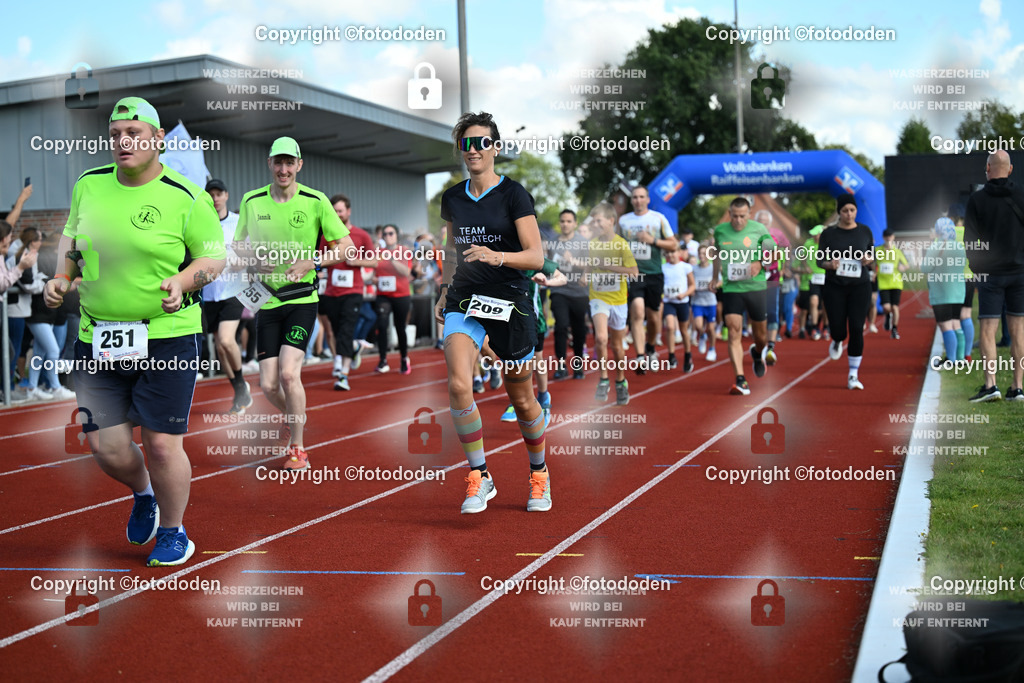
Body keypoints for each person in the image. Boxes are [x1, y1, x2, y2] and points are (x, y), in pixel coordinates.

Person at [43, 97, 226, 566]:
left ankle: (173, 530)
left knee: (162, 444)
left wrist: (183, 281)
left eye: (134, 133)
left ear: (157, 139)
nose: (123, 142)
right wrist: (61, 276)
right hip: (98, 335)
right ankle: (143, 493)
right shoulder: (89, 184)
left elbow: (213, 259)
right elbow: (71, 238)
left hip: (166, 333)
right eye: (116, 134)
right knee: (106, 446)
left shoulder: (187, 195)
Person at [434, 111, 549, 514]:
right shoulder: (452, 197)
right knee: (459, 386)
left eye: (482, 142)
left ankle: (539, 474)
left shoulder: (513, 194)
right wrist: (444, 288)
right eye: (467, 143)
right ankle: (480, 476)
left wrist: (496, 256)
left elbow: (536, 256)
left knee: (521, 398)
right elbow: (451, 250)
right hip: (465, 299)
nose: (474, 150)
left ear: (495, 148)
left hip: (510, 299)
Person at [234, 137, 351, 469]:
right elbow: (237, 245)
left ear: (299, 165)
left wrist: (312, 263)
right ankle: (295, 414)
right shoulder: (251, 200)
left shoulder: (315, 201)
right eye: (278, 162)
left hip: (302, 299)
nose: (284, 169)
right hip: (267, 301)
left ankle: (297, 447)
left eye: (290, 163)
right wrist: (254, 259)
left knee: (288, 374)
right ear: (269, 164)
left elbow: (346, 247)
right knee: (268, 383)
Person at [964, 149, 1024, 402]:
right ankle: (1017, 386)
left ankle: (991, 385)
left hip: (990, 273)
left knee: (988, 329)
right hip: (1020, 272)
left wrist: (979, 269)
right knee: (1018, 330)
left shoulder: (977, 200)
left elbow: (970, 242)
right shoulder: (1022, 195)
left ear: (987, 169)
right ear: (1010, 169)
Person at [710, 197, 775, 396]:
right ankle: (740, 379)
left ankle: (757, 352)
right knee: (734, 330)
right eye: (735, 216)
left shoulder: (759, 230)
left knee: (761, 336)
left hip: (756, 287)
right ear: (729, 214)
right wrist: (714, 277)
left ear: (749, 214)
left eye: (742, 216)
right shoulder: (720, 231)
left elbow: (772, 253)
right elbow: (717, 255)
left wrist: (760, 264)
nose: (738, 220)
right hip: (732, 289)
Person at [200, 179, 252, 415]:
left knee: (226, 340)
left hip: (234, 290)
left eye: (219, 193)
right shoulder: (202, 224)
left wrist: (243, 261)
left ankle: (241, 386)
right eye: (211, 194)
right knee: (220, 348)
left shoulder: (238, 223)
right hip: (210, 293)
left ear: (226, 195)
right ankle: (239, 390)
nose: (215, 198)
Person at [818, 195, 875, 390]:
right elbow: (819, 260)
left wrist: (869, 259)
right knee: (839, 329)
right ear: (839, 212)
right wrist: (829, 264)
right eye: (844, 211)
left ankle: (853, 375)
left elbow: (872, 254)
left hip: (860, 286)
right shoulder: (829, 234)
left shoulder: (865, 231)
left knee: (857, 328)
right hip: (835, 285)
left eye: (852, 210)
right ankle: (836, 339)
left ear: (856, 211)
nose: (849, 214)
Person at [618, 185, 677, 371]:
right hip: (634, 273)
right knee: (637, 310)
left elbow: (673, 244)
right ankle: (640, 356)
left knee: (653, 317)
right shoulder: (623, 221)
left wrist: (653, 241)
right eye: (634, 197)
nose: (638, 200)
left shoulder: (658, 218)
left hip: (654, 273)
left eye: (641, 197)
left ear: (648, 199)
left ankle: (651, 347)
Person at [320, 194, 376, 391]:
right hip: (331, 291)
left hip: (353, 291)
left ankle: (343, 375)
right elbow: (318, 258)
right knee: (336, 331)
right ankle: (352, 348)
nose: (337, 214)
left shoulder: (361, 235)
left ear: (348, 212)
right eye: (334, 211)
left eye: (340, 211)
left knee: (345, 330)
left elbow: (374, 261)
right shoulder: (327, 235)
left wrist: (357, 261)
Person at [586, 202, 639, 404]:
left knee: (618, 347)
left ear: (611, 221)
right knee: (600, 338)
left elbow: (634, 272)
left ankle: (620, 380)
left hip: (618, 300)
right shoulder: (592, 244)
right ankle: (603, 379)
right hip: (598, 297)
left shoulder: (621, 244)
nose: (596, 224)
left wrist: (609, 266)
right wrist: (584, 276)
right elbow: (591, 266)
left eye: (599, 220)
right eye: (594, 221)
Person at [549, 209, 590, 381]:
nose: (565, 224)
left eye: (568, 221)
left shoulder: (582, 242)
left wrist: (583, 272)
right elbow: (549, 265)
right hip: (559, 290)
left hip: (579, 292)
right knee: (561, 325)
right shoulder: (553, 243)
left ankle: (578, 364)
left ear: (575, 223)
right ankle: (561, 365)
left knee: (579, 328)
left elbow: (590, 265)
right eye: (562, 221)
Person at [922, 218, 967, 369]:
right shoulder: (959, 246)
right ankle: (961, 358)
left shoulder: (936, 245)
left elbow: (925, 268)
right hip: (958, 291)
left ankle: (951, 360)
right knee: (956, 323)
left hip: (941, 292)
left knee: (945, 325)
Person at [374, 224, 417, 375]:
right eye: (385, 234)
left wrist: (391, 258)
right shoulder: (378, 252)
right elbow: (372, 271)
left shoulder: (404, 251)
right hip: (383, 294)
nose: (388, 236)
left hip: (401, 294)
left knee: (400, 327)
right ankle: (382, 359)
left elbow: (406, 272)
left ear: (396, 235)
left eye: (391, 233)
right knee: (382, 322)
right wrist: (374, 279)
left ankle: (404, 358)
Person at [661, 244, 696, 371]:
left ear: (679, 253)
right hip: (669, 301)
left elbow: (692, 285)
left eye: (673, 252)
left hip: (682, 302)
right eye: (668, 253)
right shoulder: (663, 267)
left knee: (683, 331)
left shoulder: (686, 267)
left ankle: (687, 355)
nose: (670, 255)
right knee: (670, 326)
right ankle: (671, 355)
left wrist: (684, 294)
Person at [950, 204, 976, 362]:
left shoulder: (948, 235)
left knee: (953, 317)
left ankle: (955, 355)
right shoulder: (973, 233)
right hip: (969, 277)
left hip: (953, 279)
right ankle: (967, 353)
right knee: (966, 314)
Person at [875, 229, 909, 339]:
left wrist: (902, 267)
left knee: (895, 307)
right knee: (886, 307)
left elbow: (907, 264)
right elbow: (872, 263)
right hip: (883, 282)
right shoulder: (877, 250)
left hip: (896, 282)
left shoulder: (897, 251)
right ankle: (887, 316)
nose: (888, 238)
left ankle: (894, 329)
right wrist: (873, 271)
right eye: (886, 237)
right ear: (884, 238)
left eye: (890, 236)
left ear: (893, 237)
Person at [691, 244, 718, 361]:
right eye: (700, 254)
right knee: (698, 325)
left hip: (710, 302)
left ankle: (712, 348)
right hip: (697, 301)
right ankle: (702, 335)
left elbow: (720, 281)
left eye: (704, 254)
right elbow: (689, 282)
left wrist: (714, 285)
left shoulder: (713, 268)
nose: (701, 256)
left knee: (711, 328)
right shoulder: (693, 269)